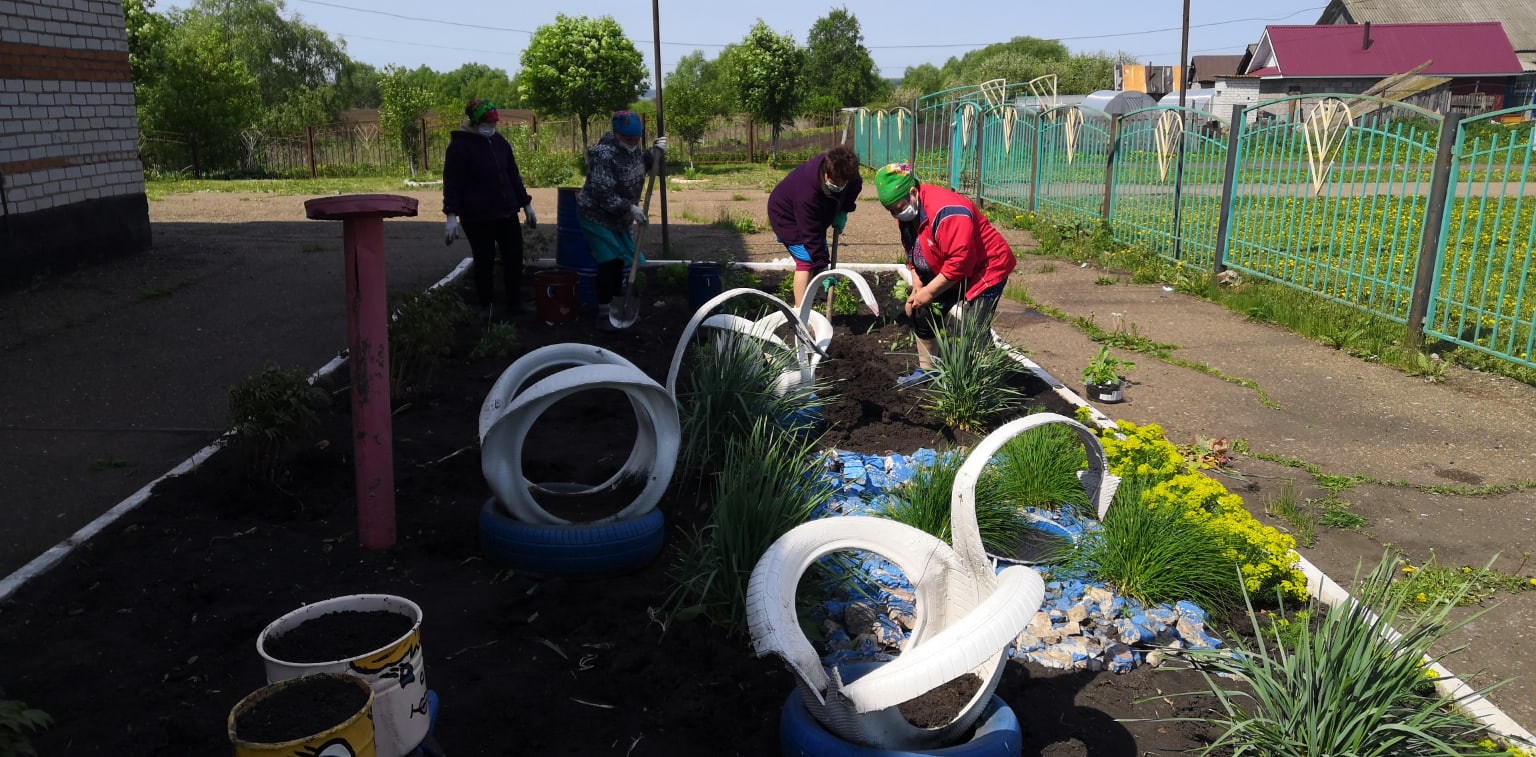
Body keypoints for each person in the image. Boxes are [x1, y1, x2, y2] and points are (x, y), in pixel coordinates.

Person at [873, 161, 1017, 388]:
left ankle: (985, 383)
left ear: (913, 192)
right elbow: (914, 252)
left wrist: (930, 291)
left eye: (899, 208)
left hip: (986, 267)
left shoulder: (948, 211)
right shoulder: (909, 215)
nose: (896, 215)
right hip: (951, 267)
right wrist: (918, 286)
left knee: (973, 327)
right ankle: (927, 372)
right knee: (921, 312)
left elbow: (961, 262)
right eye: (891, 211)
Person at [442, 98, 536, 320]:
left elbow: (512, 175)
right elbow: (453, 182)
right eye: (487, 124)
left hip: (506, 212)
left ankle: (515, 303)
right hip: (477, 216)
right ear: (475, 122)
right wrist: (451, 215)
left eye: (494, 124)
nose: (491, 128)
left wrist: (526, 204)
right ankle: (486, 306)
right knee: (484, 260)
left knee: (514, 257)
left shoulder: (500, 142)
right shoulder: (460, 146)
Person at [576, 110, 666, 331]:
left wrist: (655, 152)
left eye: (637, 139)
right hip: (597, 216)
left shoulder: (631, 150)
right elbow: (602, 192)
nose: (634, 143)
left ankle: (618, 305)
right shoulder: (604, 155)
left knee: (618, 262)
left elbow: (639, 164)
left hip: (618, 218)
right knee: (608, 261)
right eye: (629, 139)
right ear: (616, 135)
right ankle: (604, 313)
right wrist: (630, 207)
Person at [766, 145, 862, 307]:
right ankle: (800, 313)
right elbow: (811, 234)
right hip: (787, 217)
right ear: (826, 173)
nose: (840, 185)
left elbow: (854, 186)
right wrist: (823, 268)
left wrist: (844, 210)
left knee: (816, 254)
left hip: (815, 215)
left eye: (844, 182)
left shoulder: (847, 172)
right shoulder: (807, 192)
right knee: (807, 261)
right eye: (836, 182)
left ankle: (805, 303)